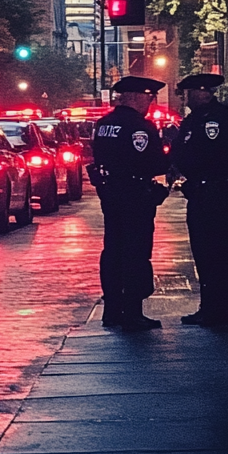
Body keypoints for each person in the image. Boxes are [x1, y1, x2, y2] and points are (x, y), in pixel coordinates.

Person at [88, 76, 171, 331]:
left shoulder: (103, 124)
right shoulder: (140, 127)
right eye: (148, 97)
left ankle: (112, 309)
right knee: (136, 252)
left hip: (111, 195)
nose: (150, 102)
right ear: (136, 97)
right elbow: (154, 163)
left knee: (113, 250)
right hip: (136, 196)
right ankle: (133, 310)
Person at [170, 73, 228, 326]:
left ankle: (221, 308)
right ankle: (209, 305)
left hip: (218, 194)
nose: (186, 98)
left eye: (190, 93)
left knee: (219, 253)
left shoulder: (217, 120)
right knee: (203, 252)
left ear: (203, 93)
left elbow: (209, 155)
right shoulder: (195, 119)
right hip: (201, 194)